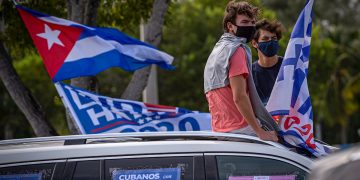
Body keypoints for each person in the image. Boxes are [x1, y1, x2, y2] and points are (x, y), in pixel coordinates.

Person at [204, 1, 278, 142]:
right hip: (243, 131)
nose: (250, 26)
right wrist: (259, 131)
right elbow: (239, 96)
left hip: (221, 131)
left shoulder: (217, 51)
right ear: (230, 26)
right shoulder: (237, 50)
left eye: (252, 22)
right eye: (244, 22)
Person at [251, 19, 284, 106]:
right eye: (265, 39)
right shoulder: (249, 72)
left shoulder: (288, 67)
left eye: (274, 38)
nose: (270, 42)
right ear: (254, 43)